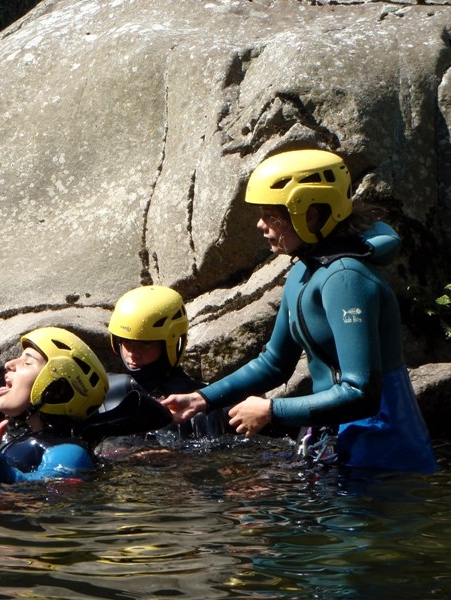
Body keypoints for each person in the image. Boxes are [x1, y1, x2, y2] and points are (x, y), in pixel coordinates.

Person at [161, 148, 436, 472]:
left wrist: (272, 410)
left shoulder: (346, 279)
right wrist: (201, 400)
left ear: (312, 214)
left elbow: (361, 392)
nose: (261, 225)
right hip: (340, 442)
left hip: (384, 457)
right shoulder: (304, 272)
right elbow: (274, 363)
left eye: (271, 215)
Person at [0, 326, 110, 483]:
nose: (9, 364)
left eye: (27, 363)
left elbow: (33, 488)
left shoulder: (70, 452)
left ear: (56, 391)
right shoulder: (11, 438)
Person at [107, 284, 229, 438]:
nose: (133, 354)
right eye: (127, 343)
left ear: (170, 343)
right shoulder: (102, 392)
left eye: (145, 344)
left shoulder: (200, 401)